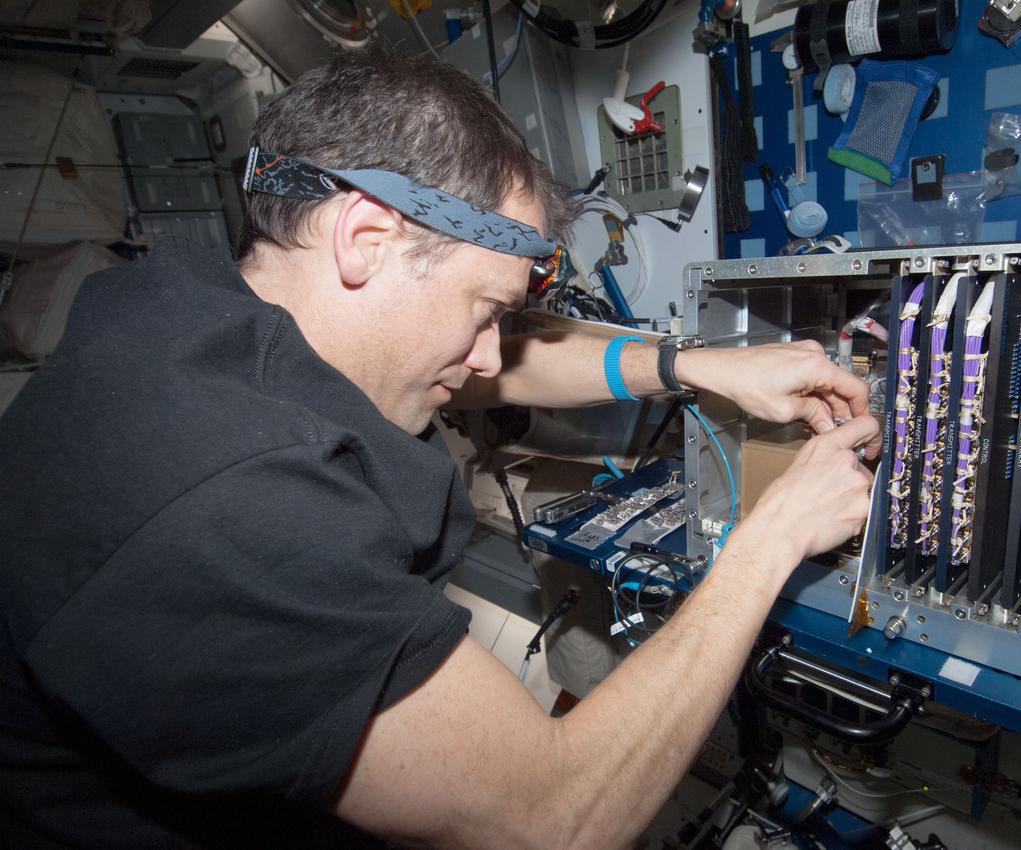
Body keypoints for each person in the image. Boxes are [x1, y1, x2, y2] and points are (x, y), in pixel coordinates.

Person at [0, 51, 879, 849]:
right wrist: (776, 534)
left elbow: (478, 364)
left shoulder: (196, 310)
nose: (493, 355)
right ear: (367, 238)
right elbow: (550, 821)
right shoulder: (225, 503)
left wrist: (697, 365)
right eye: (486, 311)